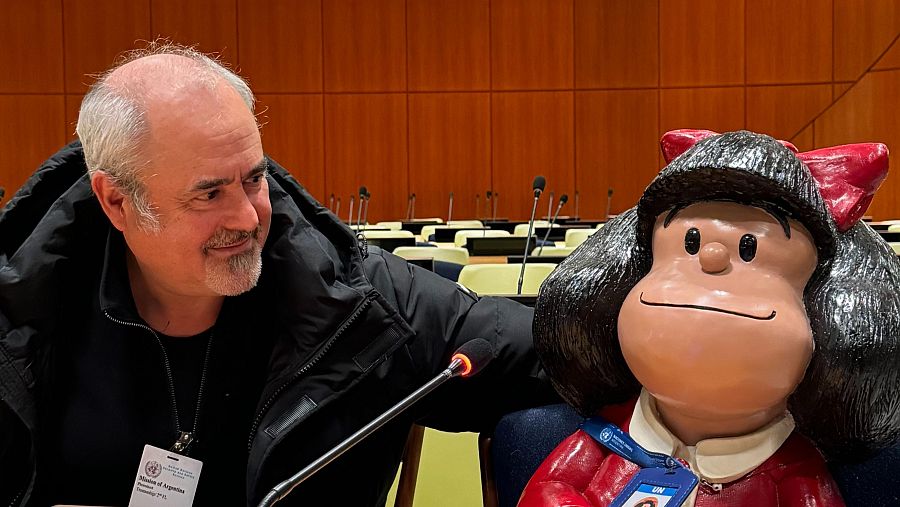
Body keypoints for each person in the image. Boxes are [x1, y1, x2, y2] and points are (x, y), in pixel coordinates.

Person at [0, 43, 551, 506]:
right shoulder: (19, 313)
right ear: (117, 202)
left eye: (254, 179)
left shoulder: (357, 300)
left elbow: (548, 350)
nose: (246, 218)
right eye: (209, 193)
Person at [519, 130, 900, 506]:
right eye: (690, 242)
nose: (712, 257)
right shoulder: (608, 438)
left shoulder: (794, 470)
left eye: (748, 248)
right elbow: (547, 490)